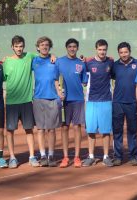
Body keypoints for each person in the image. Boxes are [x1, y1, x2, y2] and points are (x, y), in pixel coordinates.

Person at [3, 35, 55, 168]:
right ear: (12, 47)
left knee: (29, 129)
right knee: (10, 131)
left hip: (26, 101)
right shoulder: (7, 61)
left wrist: (53, 55)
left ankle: (32, 156)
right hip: (11, 102)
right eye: (16, 47)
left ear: (24, 47)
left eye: (21, 46)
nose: (19, 49)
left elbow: (44, 54)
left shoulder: (30, 57)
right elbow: (1, 77)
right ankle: (12, 157)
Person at [55, 38, 87, 168]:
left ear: (77, 48)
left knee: (77, 127)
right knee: (64, 128)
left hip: (78, 99)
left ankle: (77, 157)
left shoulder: (81, 63)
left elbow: (84, 81)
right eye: (70, 46)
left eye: (74, 46)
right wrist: (59, 92)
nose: (72, 49)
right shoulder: (59, 61)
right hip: (64, 100)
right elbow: (55, 80)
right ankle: (65, 157)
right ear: (66, 47)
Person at [82, 39, 114, 167]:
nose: (102, 52)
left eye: (104, 49)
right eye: (100, 49)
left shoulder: (111, 62)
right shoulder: (88, 63)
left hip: (106, 100)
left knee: (106, 131)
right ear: (96, 49)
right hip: (91, 101)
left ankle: (106, 156)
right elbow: (83, 79)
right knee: (91, 130)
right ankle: (91, 156)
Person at [111, 42, 137, 166]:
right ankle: (118, 156)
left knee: (132, 130)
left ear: (129, 52)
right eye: (121, 52)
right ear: (118, 53)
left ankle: (133, 156)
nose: (124, 54)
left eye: (126, 52)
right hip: (117, 102)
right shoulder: (115, 66)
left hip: (132, 102)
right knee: (117, 130)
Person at [32, 36, 61, 167]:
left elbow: (57, 80)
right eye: (42, 45)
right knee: (40, 129)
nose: (44, 47)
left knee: (52, 129)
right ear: (38, 47)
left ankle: (51, 155)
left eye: (47, 45)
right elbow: (20, 58)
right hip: (38, 98)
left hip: (53, 99)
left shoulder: (55, 61)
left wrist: (59, 93)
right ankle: (42, 155)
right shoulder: (33, 60)